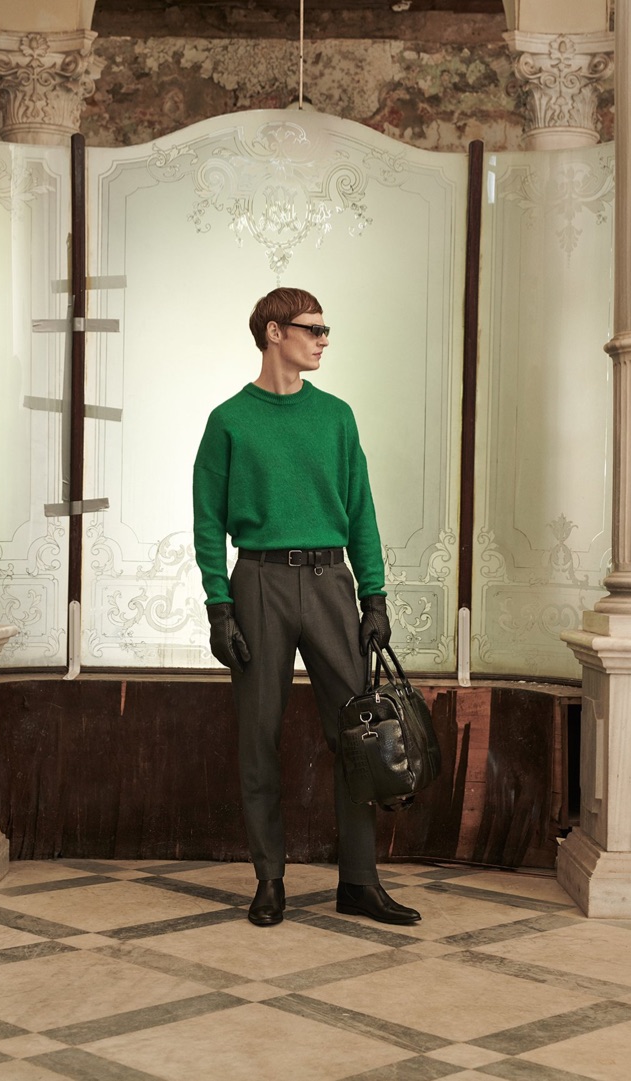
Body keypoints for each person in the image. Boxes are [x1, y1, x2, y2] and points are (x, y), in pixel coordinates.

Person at [192, 287, 420, 928]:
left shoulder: (337, 417)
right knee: (257, 738)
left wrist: (373, 596)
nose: (323, 339)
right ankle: (269, 881)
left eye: (325, 330)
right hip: (258, 583)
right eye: (312, 328)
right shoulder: (229, 420)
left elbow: (361, 510)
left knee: (359, 737)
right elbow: (207, 521)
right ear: (274, 332)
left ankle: (360, 883)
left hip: (330, 583)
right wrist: (219, 608)